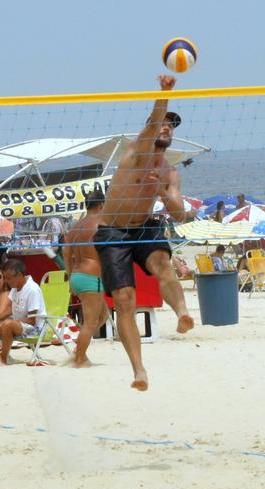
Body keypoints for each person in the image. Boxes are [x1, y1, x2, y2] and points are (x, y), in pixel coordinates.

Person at [92, 74, 195, 391]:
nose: (166, 127)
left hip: (143, 226)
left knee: (163, 265)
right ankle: (139, 370)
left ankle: (182, 313)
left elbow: (179, 213)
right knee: (124, 300)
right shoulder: (136, 151)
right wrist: (165, 93)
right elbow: (153, 121)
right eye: (163, 123)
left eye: (172, 125)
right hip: (112, 231)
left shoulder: (169, 170)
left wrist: (163, 193)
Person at [63, 191, 110, 367]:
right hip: (92, 277)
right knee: (90, 322)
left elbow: (66, 253)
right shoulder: (101, 224)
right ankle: (79, 359)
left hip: (76, 275)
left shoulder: (75, 227)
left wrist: (70, 278)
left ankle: (78, 351)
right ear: (101, 205)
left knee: (104, 315)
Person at [0, 259, 45, 366]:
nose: (7, 281)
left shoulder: (32, 289)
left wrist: (4, 324)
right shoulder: (15, 288)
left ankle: (3, 359)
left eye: (9, 278)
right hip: (17, 325)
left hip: (34, 329)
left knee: (7, 324)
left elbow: (32, 320)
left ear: (19, 275)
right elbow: (11, 309)